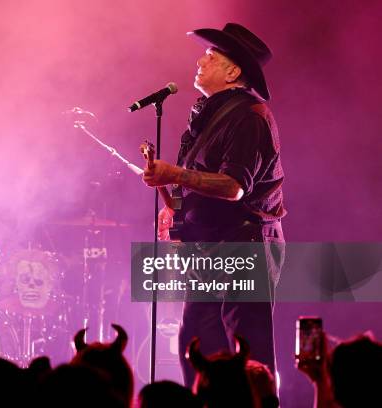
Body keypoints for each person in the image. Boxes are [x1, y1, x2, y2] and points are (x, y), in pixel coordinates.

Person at [143, 23, 285, 386]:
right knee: (199, 348)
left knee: (247, 357)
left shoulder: (249, 116)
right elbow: (195, 186)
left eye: (210, 56)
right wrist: (169, 200)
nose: (200, 61)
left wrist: (175, 172)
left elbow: (235, 186)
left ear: (233, 71)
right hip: (209, 248)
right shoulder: (209, 116)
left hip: (243, 246)